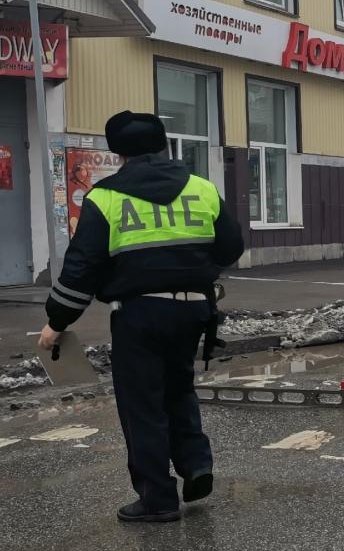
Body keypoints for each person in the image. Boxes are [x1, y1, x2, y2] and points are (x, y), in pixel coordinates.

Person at [36, 111, 244, 522]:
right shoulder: (201, 188)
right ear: (164, 143)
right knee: (179, 387)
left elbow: (81, 268)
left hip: (140, 314)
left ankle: (157, 497)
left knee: (143, 404)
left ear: (117, 152)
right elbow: (230, 247)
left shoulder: (105, 198)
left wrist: (57, 321)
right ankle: (196, 463)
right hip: (194, 310)